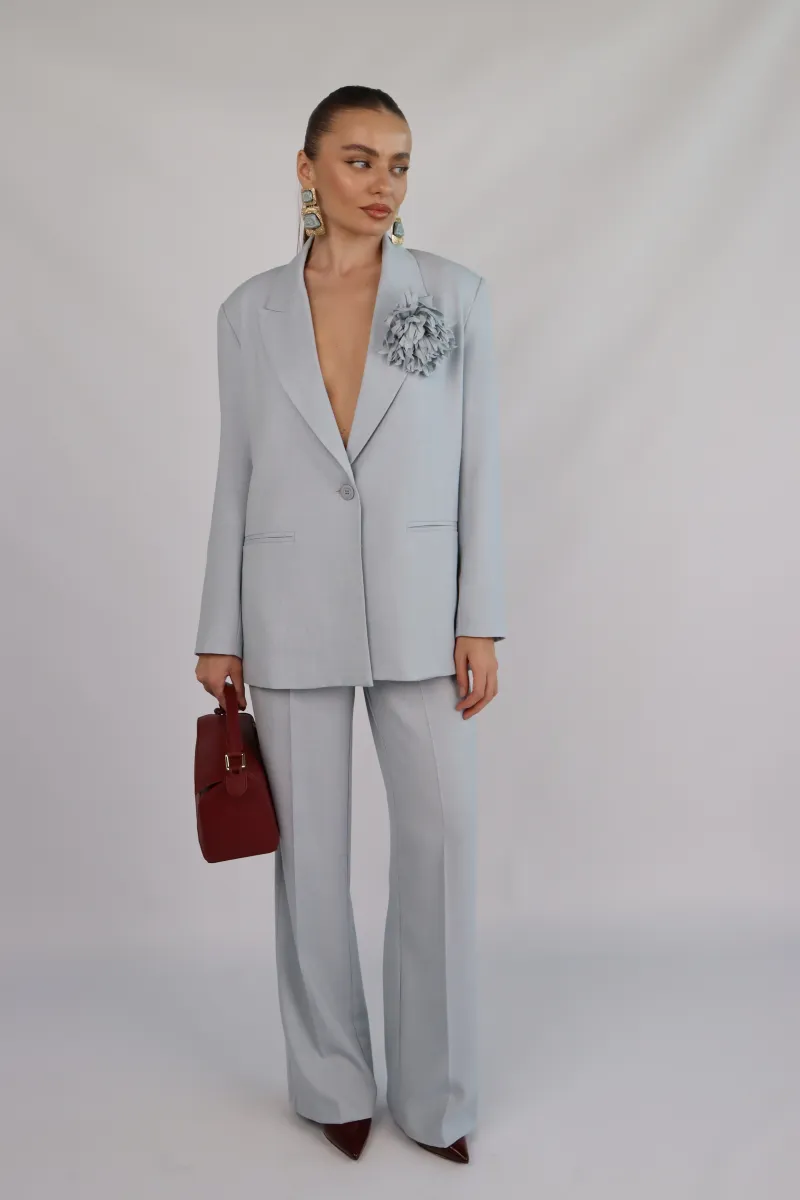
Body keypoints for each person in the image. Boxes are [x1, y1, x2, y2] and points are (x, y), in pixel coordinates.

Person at [194, 85, 507, 1164]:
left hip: (424, 610)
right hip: (286, 607)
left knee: (440, 845)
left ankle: (437, 1094)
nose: (384, 184)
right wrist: (219, 627)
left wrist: (481, 618)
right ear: (307, 169)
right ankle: (330, 1078)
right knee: (310, 865)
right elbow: (235, 473)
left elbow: (478, 466)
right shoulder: (248, 314)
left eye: (400, 163)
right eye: (360, 160)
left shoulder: (454, 297)